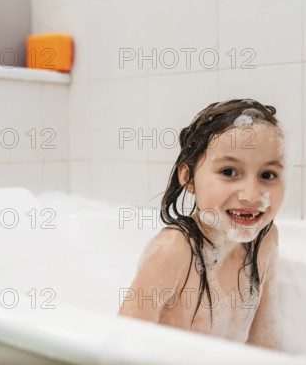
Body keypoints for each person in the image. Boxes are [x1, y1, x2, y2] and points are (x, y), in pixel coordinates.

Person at [119, 99, 289, 350]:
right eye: (229, 172)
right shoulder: (173, 251)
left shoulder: (265, 239)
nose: (252, 195)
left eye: (268, 175)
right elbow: (120, 347)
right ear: (188, 177)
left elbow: (265, 340)